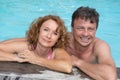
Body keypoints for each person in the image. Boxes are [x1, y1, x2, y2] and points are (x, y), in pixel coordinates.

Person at [0, 15, 72, 73]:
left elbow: (67, 67)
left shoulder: (57, 51)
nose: (49, 36)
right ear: (38, 31)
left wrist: (35, 59)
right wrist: (17, 58)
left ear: (58, 39)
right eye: (46, 30)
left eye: (55, 33)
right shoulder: (28, 47)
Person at [65, 6, 117, 80]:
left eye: (90, 29)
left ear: (96, 30)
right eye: (80, 28)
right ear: (72, 28)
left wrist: (78, 62)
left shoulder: (100, 46)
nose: (85, 34)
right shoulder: (64, 40)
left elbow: (111, 76)